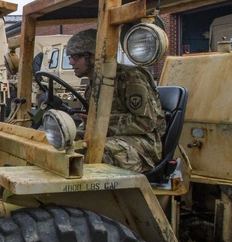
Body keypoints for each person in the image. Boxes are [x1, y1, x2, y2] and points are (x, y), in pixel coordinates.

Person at [66, 29, 165, 173]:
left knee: (94, 151)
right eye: (69, 57)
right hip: (110, 136)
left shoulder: (130, 78)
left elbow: (145, 122)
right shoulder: (94, 83)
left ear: (94, 56)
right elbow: (89, 123)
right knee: (64, 144)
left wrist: (101, 123)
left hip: (143, 144)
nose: (71, 62)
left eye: (76, 57)